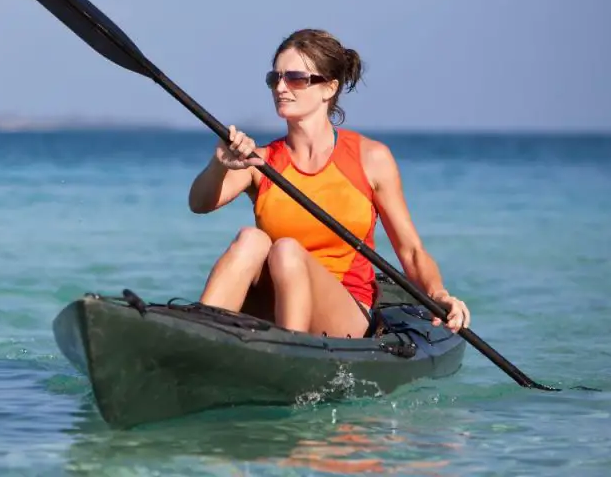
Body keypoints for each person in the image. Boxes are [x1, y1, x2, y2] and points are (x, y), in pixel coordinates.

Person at [187, 28, 470, 339]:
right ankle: (196, 339)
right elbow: (199, 204)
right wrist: (219, 164)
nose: (281, 87)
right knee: (251, 240)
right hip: (272, 304)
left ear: (328, 88)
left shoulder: (371, 158)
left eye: (296, 78)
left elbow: (411, 251)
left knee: (286, 252)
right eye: (274, 78)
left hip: (345, 309)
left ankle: (290, 357)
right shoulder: (260, 160)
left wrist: (438, 294)